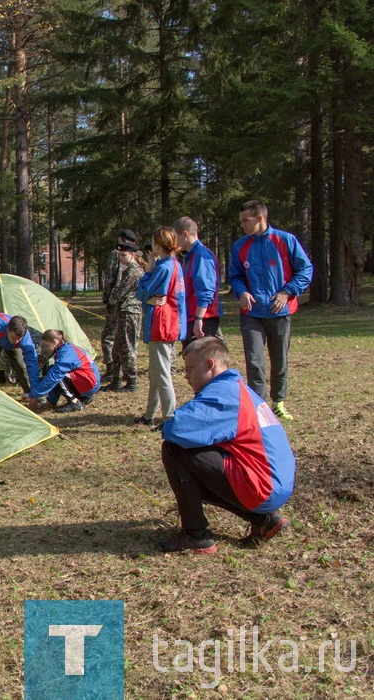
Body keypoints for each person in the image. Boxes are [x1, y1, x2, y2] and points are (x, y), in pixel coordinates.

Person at [158, 337, 294, 554]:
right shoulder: (237, 388)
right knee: (201, 454)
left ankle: (196, 536)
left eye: (191, 368)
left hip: (263, 486)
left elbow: (175, 429)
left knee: (174, 449)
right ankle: (264, 520)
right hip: (274, 483)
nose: (186, 376)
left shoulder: (223, 394)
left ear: (210, 364)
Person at [229, 200, 313, 421]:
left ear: (260, 219)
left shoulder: (285, 241)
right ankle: (259, 407)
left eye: (246, 221)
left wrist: (287, 292)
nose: (242, 225)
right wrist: (241, 292)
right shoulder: (240, 246)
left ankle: (279, 402)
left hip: (280, 311)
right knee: (254, 361)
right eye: (241, 221)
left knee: (280, 360)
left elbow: (305, 269)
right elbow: (235, 276)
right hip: (251, 314)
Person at [135, 226, 186, 428]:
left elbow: (141, 293)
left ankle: (169, 418)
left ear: (158, 245)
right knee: (155, 372)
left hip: (161, 325)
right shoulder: (174, 264)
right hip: (168, 323)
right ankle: (150, 414)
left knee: (162, 373)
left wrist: (148, 271)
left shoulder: (164, 268)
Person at [174, 217, 222, 347]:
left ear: (185, 234)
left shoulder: (201, 256)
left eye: (175, 237)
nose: (174, 242)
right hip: (191, 317)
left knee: (207, 359)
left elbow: (205, 290)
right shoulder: (189, 257)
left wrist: (198, 319)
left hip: (203, 319)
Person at [26, 329, 101, 413]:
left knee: (57, 376)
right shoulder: (65, 348)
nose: (45, 349)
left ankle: (74, 402)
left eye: (46, 346)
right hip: (88, 381)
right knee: (52, 369)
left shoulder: (66, 353)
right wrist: (51, 401)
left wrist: (33, 395)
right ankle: (83, 396)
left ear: (54, 342)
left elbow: (54, 377)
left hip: (90, 383)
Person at [106, 243, 145, 392]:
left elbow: (120, 293)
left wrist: (111, 299)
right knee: (117, 347)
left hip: (130, 312)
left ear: (133, 255)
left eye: (124, 255)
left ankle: (131, 382)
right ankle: (116, 380)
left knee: (128, 347)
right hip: (122, 312)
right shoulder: (127, 270)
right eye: (120, 255)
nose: (121, 258)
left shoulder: (134, 272)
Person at [100, 229, 138, 375]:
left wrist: (108, 299)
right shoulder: (136, 256)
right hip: (129, 304)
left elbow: (110, 277)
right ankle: (117, 371)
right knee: (123, 340)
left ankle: (115, 370)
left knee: (113, 338)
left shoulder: (117, 255)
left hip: (121, 303)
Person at [0, 314, 41, 397]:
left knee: (21, 366)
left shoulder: (25, 339)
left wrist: (34, 394)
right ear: (8, 329)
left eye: (18, 339)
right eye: (13, 337)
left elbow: (32, 364)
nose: (16, 341)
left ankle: (30, 393)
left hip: (11, 347)